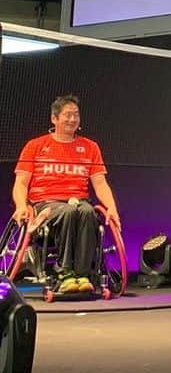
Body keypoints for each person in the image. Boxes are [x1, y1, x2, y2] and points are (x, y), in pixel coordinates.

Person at [12, 94, 121, 296]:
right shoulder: (35, 146)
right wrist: (20, 205)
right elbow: (21, 183)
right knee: (69, 211)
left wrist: (112, 207)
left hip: (79, 202)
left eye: (76, 115)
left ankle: (83, 276)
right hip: (46, 204)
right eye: (67, 115)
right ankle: (65, 274)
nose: (72, 119)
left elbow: (100, 183)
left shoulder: (90, 147)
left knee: (88, 212)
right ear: (54, 119)